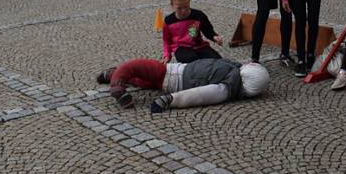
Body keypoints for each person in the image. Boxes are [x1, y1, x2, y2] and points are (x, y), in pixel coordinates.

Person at [95, 57, 269, 111]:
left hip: (169, 73)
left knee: (133, 67)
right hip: (170, 74)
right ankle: (112, 74)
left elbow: (200, 95)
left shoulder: (226, 89)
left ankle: (116, 85)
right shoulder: (233, 70)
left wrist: (168, 100)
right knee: (139, 80)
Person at [162, 0, 223, 64]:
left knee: (218, 61)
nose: (183, 11)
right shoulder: (169, 21)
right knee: (192, 61)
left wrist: (214, 37)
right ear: (172, 5)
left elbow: (207, 30)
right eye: (179, 8)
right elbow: (166, 40)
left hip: (199, 45)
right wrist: (167, 55)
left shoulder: (199, 15)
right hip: (181, 47)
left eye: (186, 7)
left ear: (189, 2)